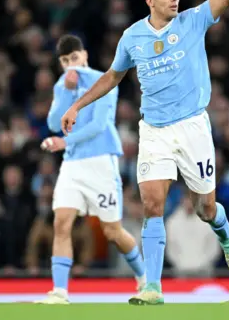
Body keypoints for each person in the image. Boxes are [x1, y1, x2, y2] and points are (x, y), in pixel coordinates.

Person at [60, 0, 229, 305]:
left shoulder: (193, 21)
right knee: (151, 204)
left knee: (205, 207)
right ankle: (153, 287)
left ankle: (225, 231)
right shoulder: (133, 37)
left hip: (193, 127)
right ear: (150, 0)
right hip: (155, 130)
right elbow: (112, 77)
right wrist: (77, 104)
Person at [35, 35, 146, 305]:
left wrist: (64, 141)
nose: (70, 65)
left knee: (113, 232)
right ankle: (60, 291)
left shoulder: (104, 79)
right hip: (72, 165)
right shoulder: (64, 84)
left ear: (84, 55)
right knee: (61, 222)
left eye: (74, 58)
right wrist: (65, 91)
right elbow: (53, 122)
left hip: (101, 164)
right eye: (64, 61)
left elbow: (98, 125)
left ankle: (145, 279)